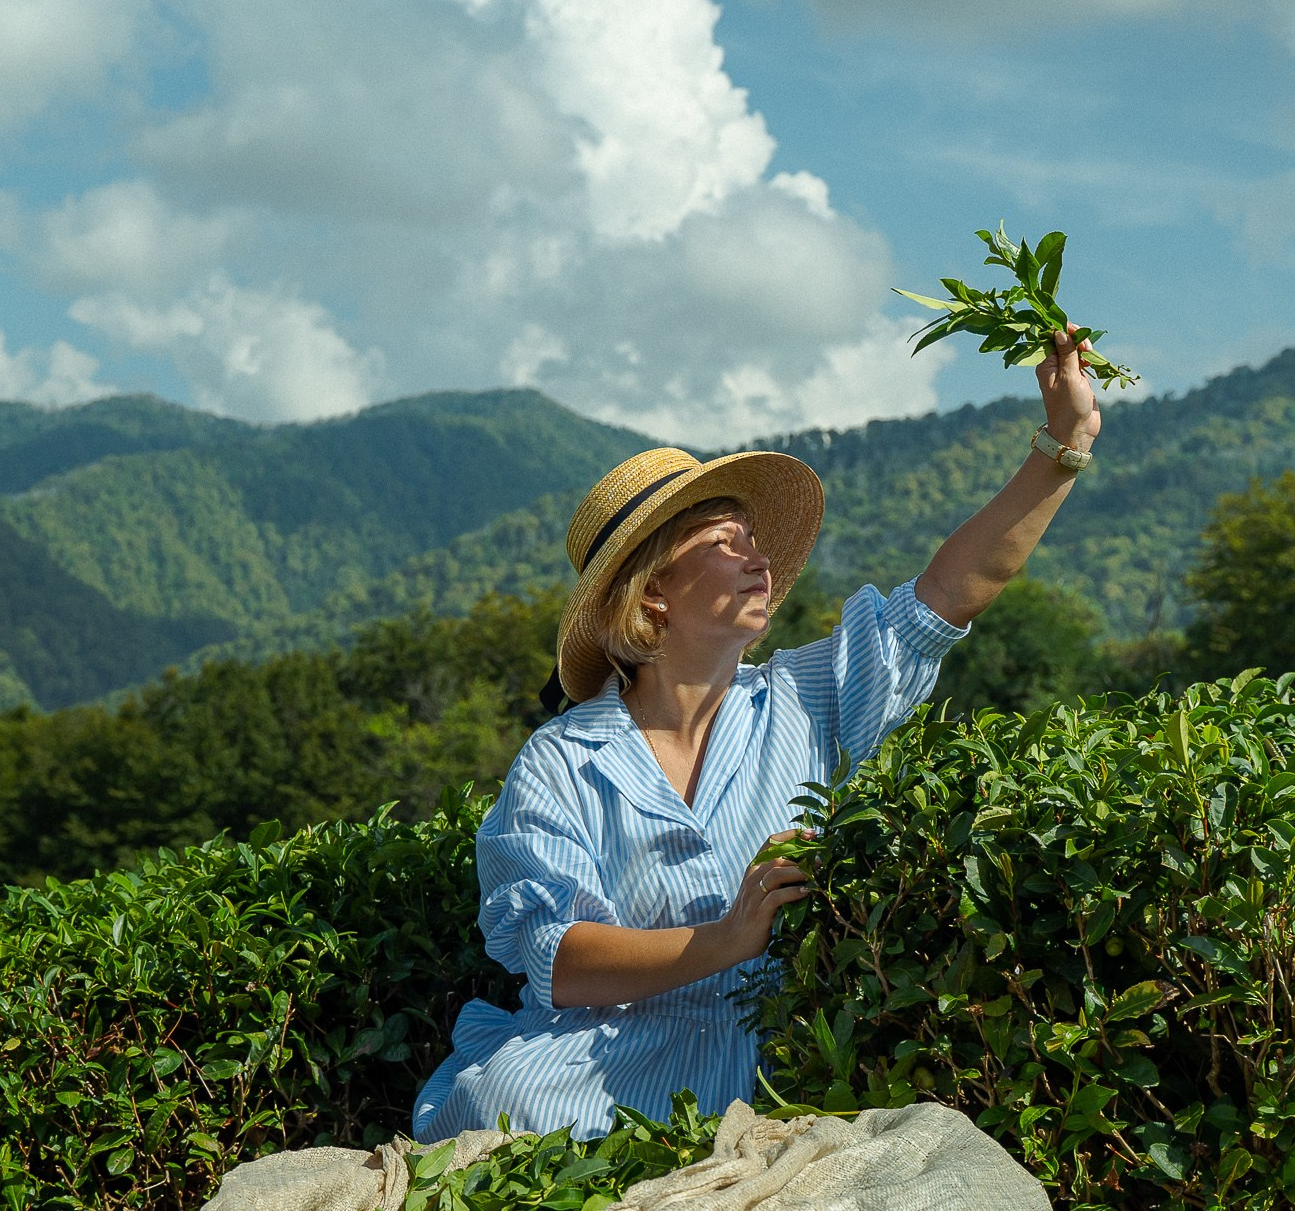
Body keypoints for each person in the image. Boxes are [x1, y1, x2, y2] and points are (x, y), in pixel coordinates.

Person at [410, 327, 1104, 1142]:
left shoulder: (808, 698)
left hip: (771, 1059)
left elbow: (947, 596)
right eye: (725, 540)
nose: (760, 559)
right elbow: (557, 959)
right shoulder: (563, 761)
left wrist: (1061, 447)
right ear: (655, 590)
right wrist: (728, 937)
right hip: (595, 1068)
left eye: (756, 540)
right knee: (508, 1106)